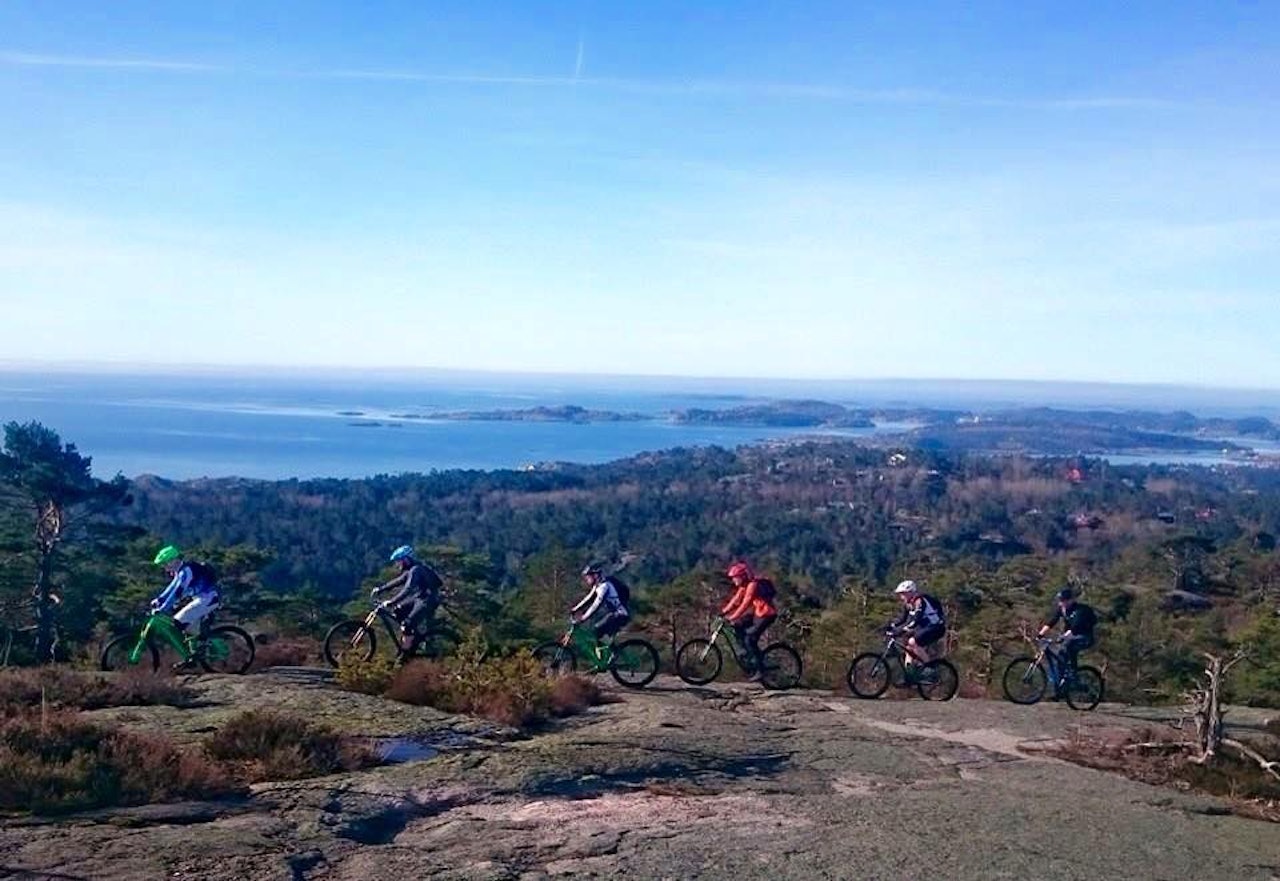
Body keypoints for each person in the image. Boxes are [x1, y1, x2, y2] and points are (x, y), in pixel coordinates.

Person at [372, 545, 444, 652]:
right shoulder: (411, 569)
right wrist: (381, 589)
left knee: (407, 624)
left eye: (399, 561)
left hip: (428, 600)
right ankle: (412, 637)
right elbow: (398, 581)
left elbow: (408, 589)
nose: (397, 564)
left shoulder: (416, 570)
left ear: (406, 560)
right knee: (398, 610)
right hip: (419, 597)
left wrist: (392, 601)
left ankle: (406, 652)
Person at [721, 561, 778, 683]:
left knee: (750, 639)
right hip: (758, 612)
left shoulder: (752, 585)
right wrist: (724, 611)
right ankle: (746, 653)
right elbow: (736, 600)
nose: (733, 581)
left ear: (742, 576)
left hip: (767, 614)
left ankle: (760, 670)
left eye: (735, 578)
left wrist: (732, 616)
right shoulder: (744, 586)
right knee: (737, 626)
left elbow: (745, 603)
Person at [151, 545, 221, 638]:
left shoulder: (185, 572)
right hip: (201, 599)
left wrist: (163, 608)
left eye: (165, 564)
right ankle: (198, 642)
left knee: (179, 621)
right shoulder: (180, 571)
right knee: (185, 625)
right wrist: (160, 599)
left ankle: (203, 644)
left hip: (208, 598)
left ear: (173, 560)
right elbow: (171, 588)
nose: (164, 567)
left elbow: (177, 592)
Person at [1038, 587, 1097, 686]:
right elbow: (1052, 621)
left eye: (1063, 601)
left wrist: (1063, 637)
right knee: (1060, 655)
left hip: (1085, 637)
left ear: (1070, 600)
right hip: (1071, 636)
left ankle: (1073, 673)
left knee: (1069, 646)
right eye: (1060, 601)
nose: (1060, 603)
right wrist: (1041, 634)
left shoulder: (1080, 610)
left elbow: (1075, 628)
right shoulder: (1062, 609)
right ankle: (1060, 685)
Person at [571, 562, 630, 660]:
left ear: (595, 575)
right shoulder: (597, 586)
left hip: (621, 614)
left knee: (598, 630)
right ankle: (601, 662)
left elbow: (596, 604)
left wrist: (583, 618)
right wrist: (575, 609)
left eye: (588, 577)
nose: (587, 580)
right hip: (615, 614)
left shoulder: (605, 586)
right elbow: (588, 599)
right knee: (597, 634)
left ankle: (615, 652)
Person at [888, 580, 946, 677]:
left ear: (910, 592)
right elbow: (903, 619)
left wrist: (902, 630)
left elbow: (916, 620)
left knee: (913, 642)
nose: (901, 597)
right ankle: (909, 674)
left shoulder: (919, 601)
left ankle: (930, 668)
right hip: (927, 627)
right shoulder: (908, 604)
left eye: (903, 594)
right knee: (908, 646)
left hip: (936, 627)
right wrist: (891, 626)